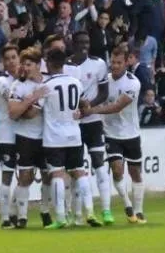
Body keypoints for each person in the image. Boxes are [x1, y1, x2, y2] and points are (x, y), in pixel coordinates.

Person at [82, 45, 147, 224]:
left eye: (119, 62)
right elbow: (95, 95)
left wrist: (92, 110)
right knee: (117, 170)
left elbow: (117, 106)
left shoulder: (133, 82)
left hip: (131, 133)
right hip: (111, 134)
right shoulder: (105, 81)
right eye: (113, 62)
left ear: (126, 62)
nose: (115, 65)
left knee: (135, 173)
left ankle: (139, 210)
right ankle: (127, 206)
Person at [40, 48, 100, 229]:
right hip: (74, 134)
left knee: (57, 173)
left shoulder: (46, 85)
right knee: (79, 171)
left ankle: (60, 217)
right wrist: (80, 113)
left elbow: (36, 109)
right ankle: (89, 211)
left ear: (49, 64)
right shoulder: (76, 82)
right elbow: (85, 105)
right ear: (64, 64)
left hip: (53, 136)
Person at [64, 30, 113, 224]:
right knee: (74, 169)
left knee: (99, 165)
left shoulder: (99, 64)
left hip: (92, 121)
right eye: (80, 42)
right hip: (73, 124)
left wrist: (89, 108)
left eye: (87, 41)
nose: (84, 45)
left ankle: (107, 210)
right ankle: (75, 214)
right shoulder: (66, 65)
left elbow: (104, 92)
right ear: (73, 44)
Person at [8, 47, 51, 229]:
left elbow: (29, 112)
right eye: (23, 64)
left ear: (38, 65)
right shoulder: (18, 86)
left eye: (29, 64)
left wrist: (26, 107)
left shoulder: (49, 83)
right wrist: (33, 98)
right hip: (25, 136)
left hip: (46, 137)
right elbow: (14, 113)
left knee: (47, 175)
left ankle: (45, 211)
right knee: (25, 177)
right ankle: (22, 216)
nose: (25, 68)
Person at [0, 44, 20, 228]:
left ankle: (13, 210)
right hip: (7, 134)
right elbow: (13, 102)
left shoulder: (25, 81)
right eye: (8, 58)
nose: (11, 61)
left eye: (14, 57)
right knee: (7, 175)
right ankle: (4, 217)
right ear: (3, 62)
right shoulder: (2, 81)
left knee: (25, 175)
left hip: (23, 133)